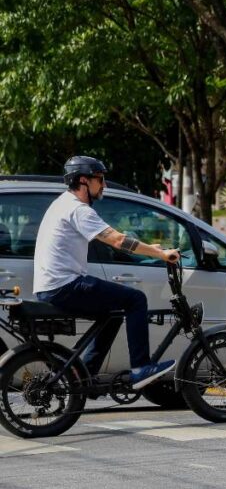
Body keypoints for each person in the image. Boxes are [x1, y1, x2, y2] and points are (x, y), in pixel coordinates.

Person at [33, 156, 181, 389]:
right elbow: (118, 240)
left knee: (113, 314)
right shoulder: (78, 210)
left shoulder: (61, 203)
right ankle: (141, 368)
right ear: (83, 180)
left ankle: (84, 377)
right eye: (100, 179)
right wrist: (159, 254)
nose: (104, 185)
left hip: (52, 286)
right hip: (65, 286)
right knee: (135, 300)